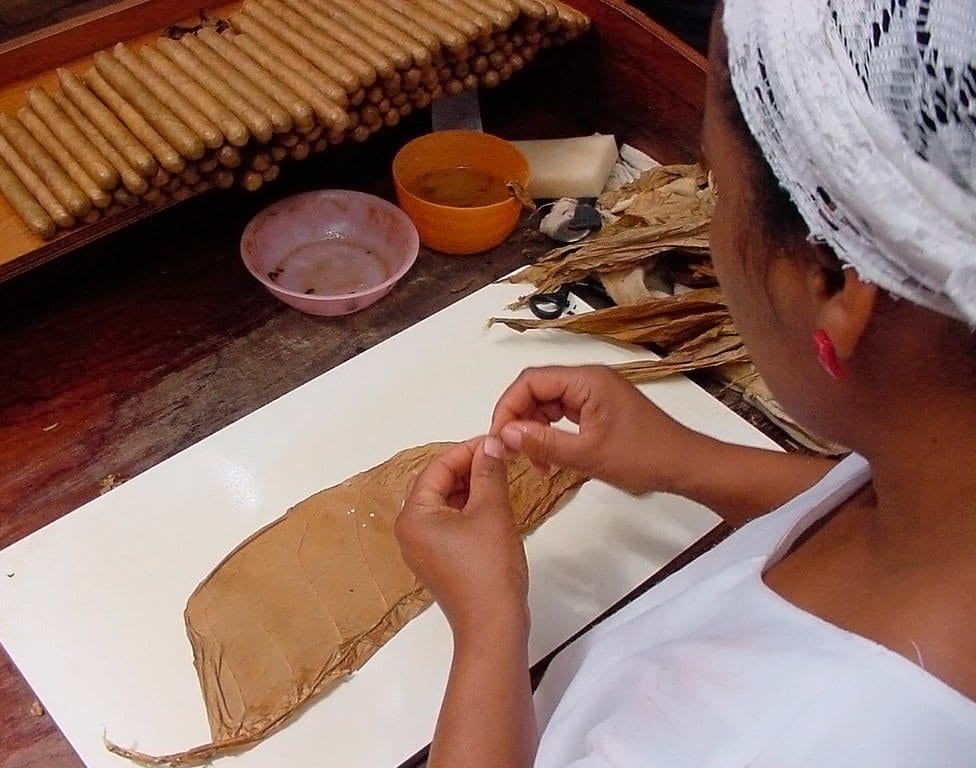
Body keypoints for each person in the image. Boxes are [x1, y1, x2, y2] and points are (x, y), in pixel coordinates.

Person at [395, 0, 976, 765]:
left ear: (834, 282)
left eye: (714, 186)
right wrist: (684, 461)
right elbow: (872, 519)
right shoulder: (938, 483)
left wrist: (490, 626)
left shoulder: (796, 738)